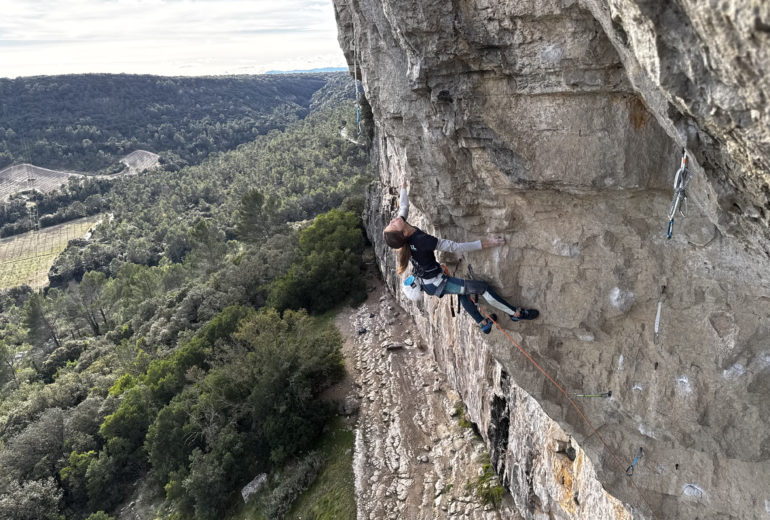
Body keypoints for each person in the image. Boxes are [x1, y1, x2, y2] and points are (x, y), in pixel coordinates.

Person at [383, 179, 538, 334]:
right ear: (403, 233)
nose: (393, 220)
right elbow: (454, 247)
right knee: (483, 288)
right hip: (437, 283)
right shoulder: (422, 241)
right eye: (393, 225)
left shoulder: (404, 232)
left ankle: (483, 322)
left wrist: (403, 188)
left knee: (463, 292)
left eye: (390, 223)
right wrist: (486, 243)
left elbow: (403, 207)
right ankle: (515, 314)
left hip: (428, 282)